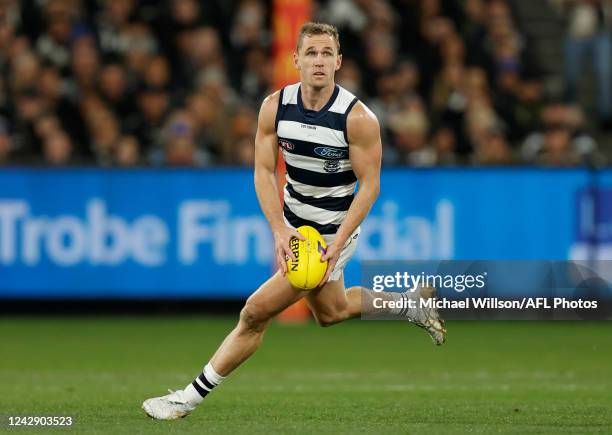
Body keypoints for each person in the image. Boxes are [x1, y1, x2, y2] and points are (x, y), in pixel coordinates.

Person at [142, 22, 446, 421]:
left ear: (338, 62)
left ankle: (186, 399)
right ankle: (411, 306)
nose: (318, 61)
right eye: (311, 53)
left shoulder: (357, 118)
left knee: (254, 313)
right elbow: (264, 172)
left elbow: (369, 187)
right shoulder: (274, 107)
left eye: (326, 54)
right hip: (293, 224)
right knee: (331, 311)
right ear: (296, 60)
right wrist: (279, 230)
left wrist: (336, 243)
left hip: (330, 233)